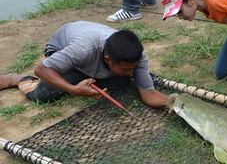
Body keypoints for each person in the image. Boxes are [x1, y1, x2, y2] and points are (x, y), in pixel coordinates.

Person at [0, 21, 169, 108]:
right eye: (126, 68)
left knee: (121, 82)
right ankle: (16, 78)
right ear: (108, 59)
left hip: (92, 58)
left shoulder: (136, 55)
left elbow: (148, 93)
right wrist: (72, 89)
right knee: (44, 94)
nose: (131, 71)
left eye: (133, 67)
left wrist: (173, 103)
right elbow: (42, 69)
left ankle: (92, 76)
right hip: (61, 48)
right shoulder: (83, 49)